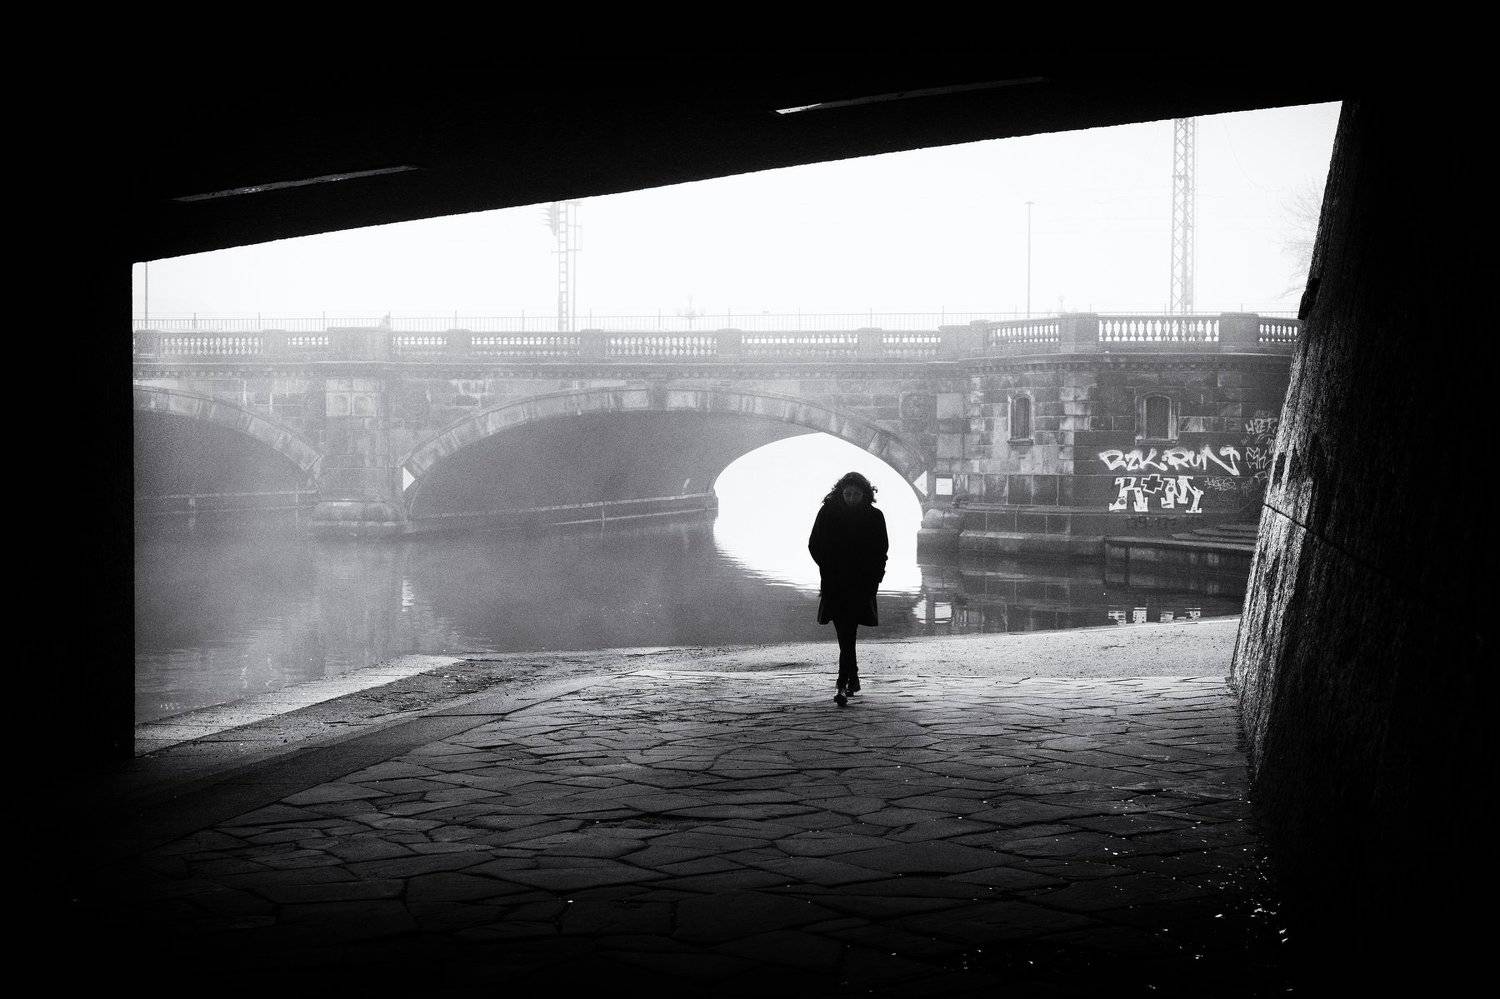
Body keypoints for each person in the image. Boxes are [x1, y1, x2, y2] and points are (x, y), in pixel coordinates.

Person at [808, 471, 888, 704]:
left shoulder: (875, 517)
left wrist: (875, 578)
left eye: (855, 494)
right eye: (847, 493)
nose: (851, 497)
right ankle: (851, 678)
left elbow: (881, 550)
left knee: (847, 632)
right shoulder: (828, 512)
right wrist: (828, 565)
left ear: (865, 494)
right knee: (846, 632)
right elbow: (814, 544)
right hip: (835, 581)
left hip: (861, 583)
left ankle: (842, 683)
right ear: (840, 493)